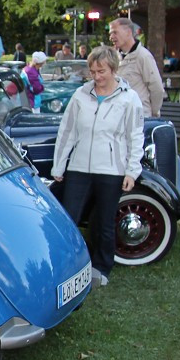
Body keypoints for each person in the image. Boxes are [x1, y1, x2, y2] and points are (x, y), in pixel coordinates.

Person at [52, 45, 144, 288]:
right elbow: (67, 132)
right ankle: (69, 266)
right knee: (70, 218)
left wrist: (131, 171)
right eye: (92, 71)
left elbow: (135, 135)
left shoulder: (129, 98)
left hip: (111, 170)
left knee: (103, 222)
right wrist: (59, 166)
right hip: (79, 168)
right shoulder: (80, 95)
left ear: (113, 69)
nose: (97, 77)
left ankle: (101, 267)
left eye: (101, 71)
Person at [108, 17, 164, 117]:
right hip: (118, 116)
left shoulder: (143, 56)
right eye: (110, 34)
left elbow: (157, 88)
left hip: (138, 118)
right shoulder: (115, 57)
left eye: (115, 32)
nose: (111, 37)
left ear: (128, 32)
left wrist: (153, 112)